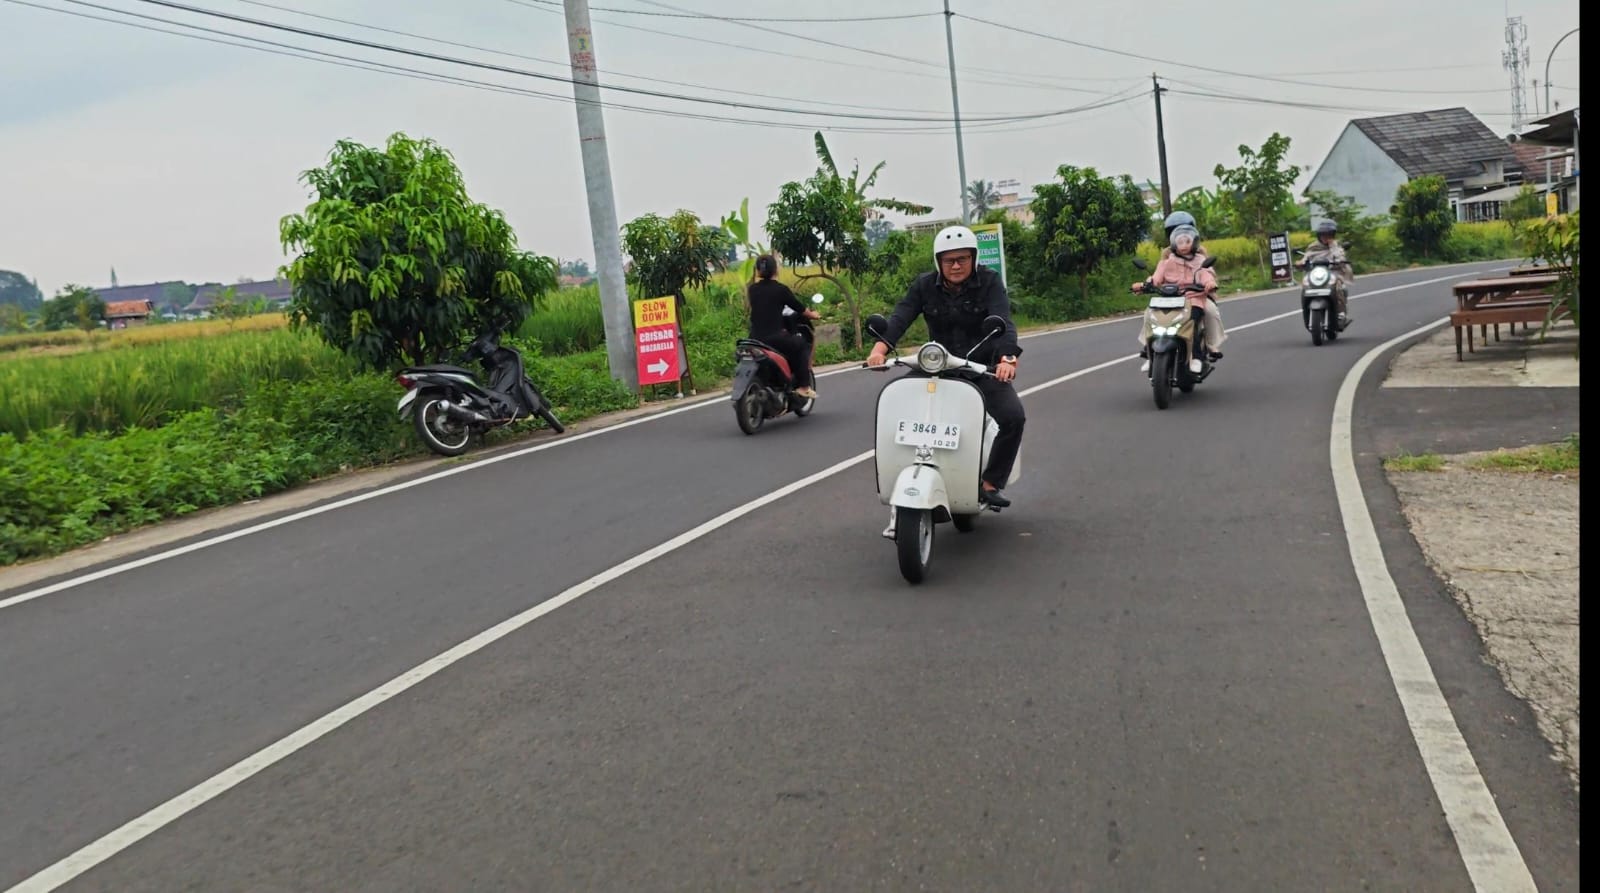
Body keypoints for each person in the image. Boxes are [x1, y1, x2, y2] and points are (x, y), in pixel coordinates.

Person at [866, 225, 1024, 508]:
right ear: (938, 261)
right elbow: (901, 316)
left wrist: (1007, 359)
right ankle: (903, 470)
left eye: (962, 259)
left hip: (980, 367)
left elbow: (1003, 321)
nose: (956, 265)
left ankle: (991, 483)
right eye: (949, 260)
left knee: (1013, 418)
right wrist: (879, 350)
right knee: (897, 397)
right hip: (936, 366)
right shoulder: (924, 285)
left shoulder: (989, 282)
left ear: (974, 258)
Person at [1135, 222, 1226, 375]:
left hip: (1193, 299)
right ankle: (1150, 354)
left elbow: (1206, 275)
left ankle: (1197, 356)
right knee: (1149, 314)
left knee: (1193, 322)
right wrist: (1144, 285)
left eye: (1187, 241)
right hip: (1168, 300)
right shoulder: (1166, 262)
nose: (1183, 245)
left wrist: (1209, 284)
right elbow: (1156, 278)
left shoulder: (1201, 261)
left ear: (1195, 242)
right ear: (1173, 243)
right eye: (1180, 241)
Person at [746, 254, 819, 397]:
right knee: (800, 344)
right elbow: (799, 308)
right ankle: (804, 386)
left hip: (754, 338)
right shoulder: (781, 289)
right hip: (774, 338)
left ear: (758, 270)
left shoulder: (752, 289)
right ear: (775, 270)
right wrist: (813, 315)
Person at [1303, 219, 1353, 326]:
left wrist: (1333, 247)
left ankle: (1341, 313)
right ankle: (1306, 308)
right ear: (1319, 236)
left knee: (1339, 287)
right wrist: (1300, 263)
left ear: (1333, 235)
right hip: (1317, 274)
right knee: (1305, 284)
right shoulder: (1313, 247)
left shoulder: (1337, 247)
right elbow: (1306, 257)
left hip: (1333, 272)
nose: (1326, 237)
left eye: (1329, 235)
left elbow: (1340, 257)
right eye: (1323, 235)